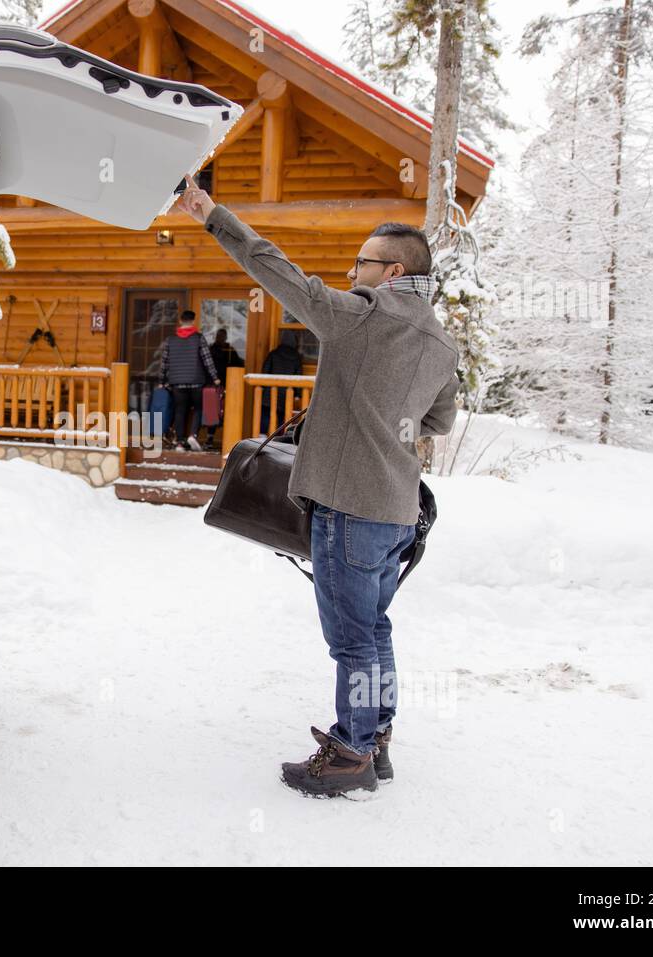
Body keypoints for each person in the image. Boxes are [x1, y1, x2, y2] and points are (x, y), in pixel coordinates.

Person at [176, 174, 460, 798]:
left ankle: (352, 754)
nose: (351, 269)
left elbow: (280, 274)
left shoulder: (362, 317)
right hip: (396, 510)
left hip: (351, 509)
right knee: (374, 628)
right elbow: (436, 422)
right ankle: (375, 734)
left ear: (390, 273)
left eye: (361, 260)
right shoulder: (441, 340)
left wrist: (212, 213)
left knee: (353, 639)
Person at [160, 309, 220, 451]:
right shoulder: (198, 338)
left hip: (177, 382)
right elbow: (207, 360)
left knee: (180, 410)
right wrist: (215, 377)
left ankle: (180, 442)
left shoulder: (170, 340)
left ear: (180, 321)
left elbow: (164, 362)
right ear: (193, 321)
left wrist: (161, 380)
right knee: (199, 408)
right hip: (196, 381)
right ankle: (193, 435)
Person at [260, 328, 303, 433]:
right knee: (281, 417)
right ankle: (279, 437)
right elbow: (298, 376)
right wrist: (297, 394)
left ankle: (261, 435)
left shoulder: (273, 353)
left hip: (270, 392)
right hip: (286, 394)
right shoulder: (297, 357)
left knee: (266, 413)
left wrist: (262, 387)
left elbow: (265, 370)